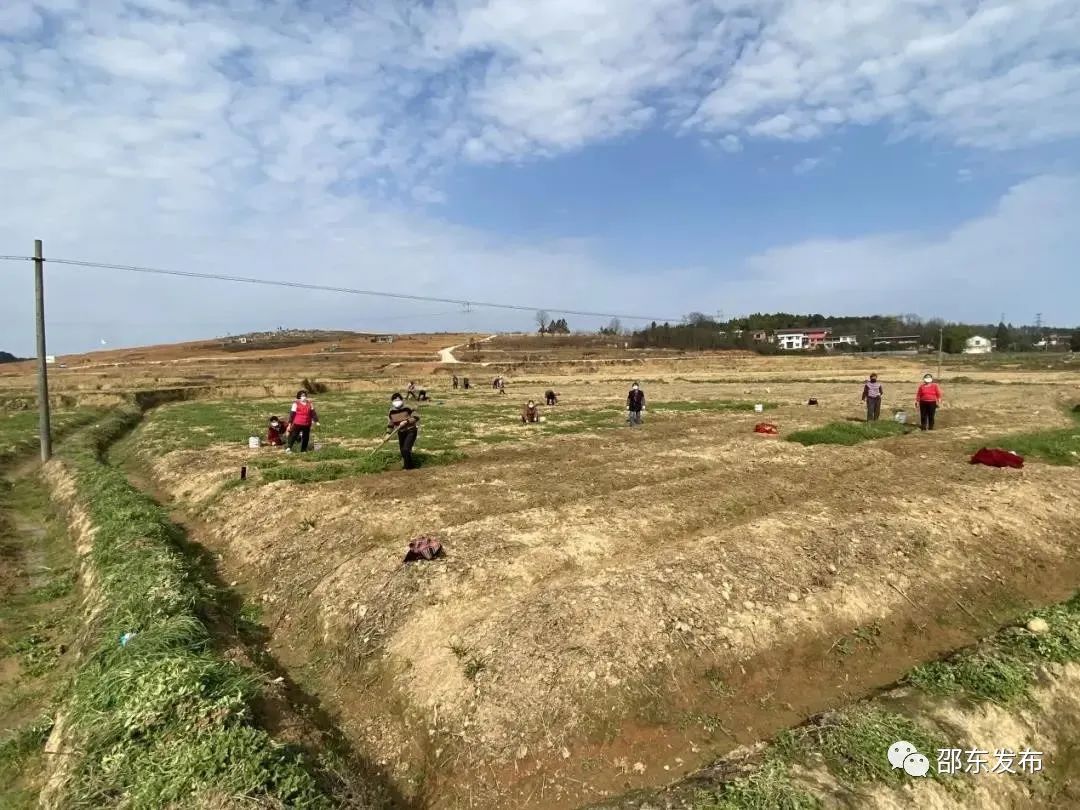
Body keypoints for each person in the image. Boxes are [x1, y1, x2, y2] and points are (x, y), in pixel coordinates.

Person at [387, 392, 420, 470]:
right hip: (401, 432)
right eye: (395, 400)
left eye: (398, 400)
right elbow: (391, 423)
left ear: (402, 400)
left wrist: (407, 421)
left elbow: (416, 417)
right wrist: (387, 434)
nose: (396, 402)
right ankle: (408, 466)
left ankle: (409, 468)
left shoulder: (407, 407)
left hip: (411, 430)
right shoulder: (391, 411)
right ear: (392, 402)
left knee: (406, 449)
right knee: (402, 451)